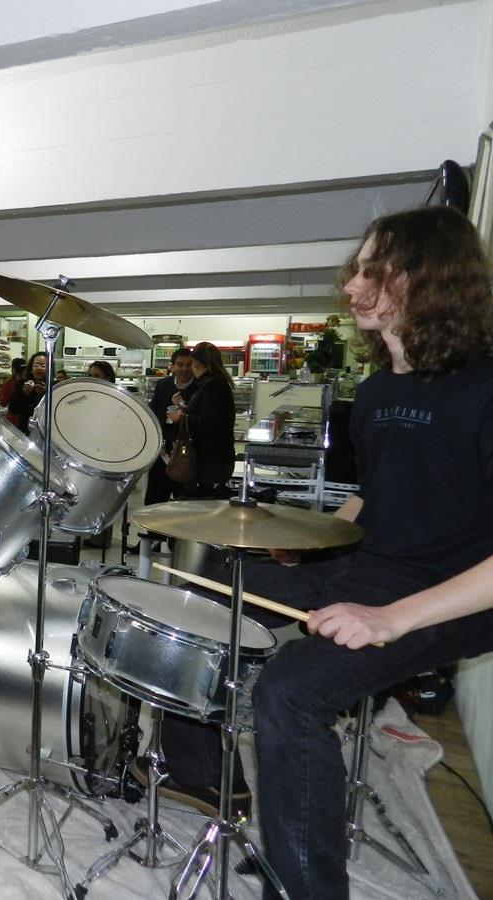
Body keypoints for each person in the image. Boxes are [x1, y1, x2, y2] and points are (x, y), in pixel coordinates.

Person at [161, 206, 493, 900]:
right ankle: (201, 774)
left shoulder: (486, 387)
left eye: (373, 268)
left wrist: (391, 620)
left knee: (290, 692)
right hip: (370, 565)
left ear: (427, 278)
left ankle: (305, 886)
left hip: (451, 593)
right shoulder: (374, 393)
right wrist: (305, 548)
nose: (350, 284)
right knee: (198, 591)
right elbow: (375, 498)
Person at [166, 341, 236, 496]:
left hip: (211, 462)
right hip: (214, 459)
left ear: (195, 361)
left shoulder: (212, 385)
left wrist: (181, 417)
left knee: (203, 506)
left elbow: (212, 423)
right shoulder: (211, 382)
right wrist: (184, 407)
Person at [144, 347, 196, 506]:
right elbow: (153, 413)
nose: (185, 369)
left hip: (186, 454)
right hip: (161, 453)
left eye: (189, 365)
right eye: (180, 364)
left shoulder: (200, 387)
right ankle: (152, 532)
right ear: (172, 366)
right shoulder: (163, 385)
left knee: (183, 504)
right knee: (154, 502)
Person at [6, 352, 51, 435]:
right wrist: (24, 394)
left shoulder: (53, 386)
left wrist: (45, 394)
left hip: (46, 433)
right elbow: (13, 409)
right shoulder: (22, 384)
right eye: (36, 365)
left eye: (43, 366)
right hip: (24, 432)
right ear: (31, 369)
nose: (39, 368)